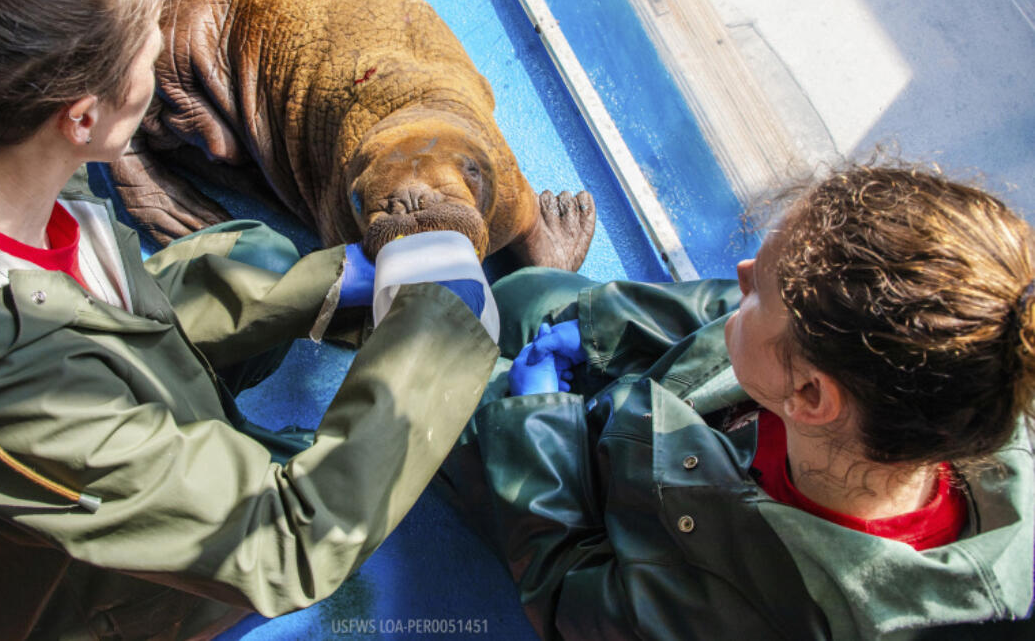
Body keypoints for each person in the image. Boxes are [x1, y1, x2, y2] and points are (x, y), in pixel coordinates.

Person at [0, 0, 499, 641]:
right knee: (326, 497)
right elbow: (281, 543)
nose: (161, 51)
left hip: (60, 402)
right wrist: (442, 330)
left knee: (257, 255)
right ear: (83, 115)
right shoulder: (10, 401)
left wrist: (322, 288)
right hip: (111, 600)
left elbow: (82, 306)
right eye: (148, 46)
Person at [441, 164, 1035, 639]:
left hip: (595, 510)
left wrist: (538, 420)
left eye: (762, 287)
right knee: (524, 296)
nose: (742, 271)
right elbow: (722, 311)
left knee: (445, 371)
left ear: (806, 394)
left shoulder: (743, 614)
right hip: (646, 425)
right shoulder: (969, 371)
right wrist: (599, 327)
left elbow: (569, 587)